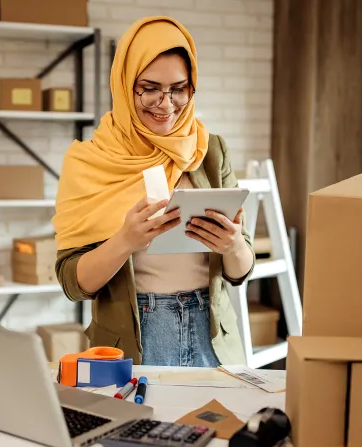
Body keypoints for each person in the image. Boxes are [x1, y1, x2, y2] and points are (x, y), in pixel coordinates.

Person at [53, 16, 254, 367]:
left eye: (179, 88)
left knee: (218, 423)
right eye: (149, 88)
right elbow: (73, 284)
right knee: (142, 424)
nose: (166, 104)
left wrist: (233, 245)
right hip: (133, 341)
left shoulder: (210, 151)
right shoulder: (90, 161)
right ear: (125, 84)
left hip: (213, 338)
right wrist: (125, 241)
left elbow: (240, 271)